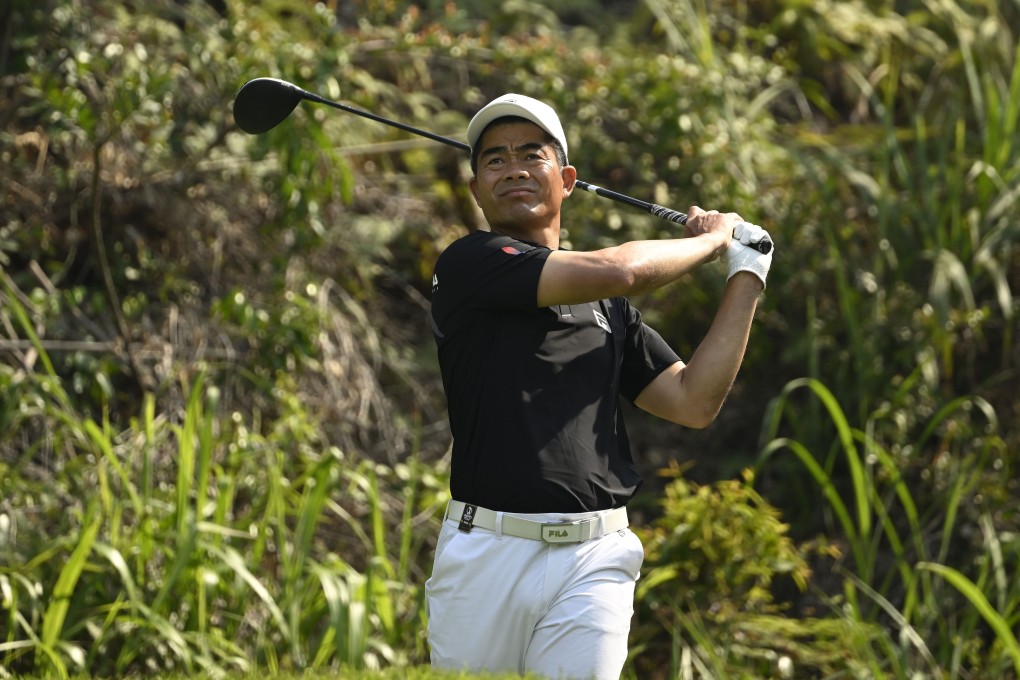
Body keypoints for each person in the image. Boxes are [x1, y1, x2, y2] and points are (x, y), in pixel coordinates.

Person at [424, 93, 773, 680]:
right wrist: (714, 240)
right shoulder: (470, 264)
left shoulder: (608, 309)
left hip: (595, 555)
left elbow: (693, 401)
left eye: (530, 154)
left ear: (566, 180)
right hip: (487, 552)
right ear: (476, 190)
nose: (512, 167)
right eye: (493, 160)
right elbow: (622, 269)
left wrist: (747, 271)